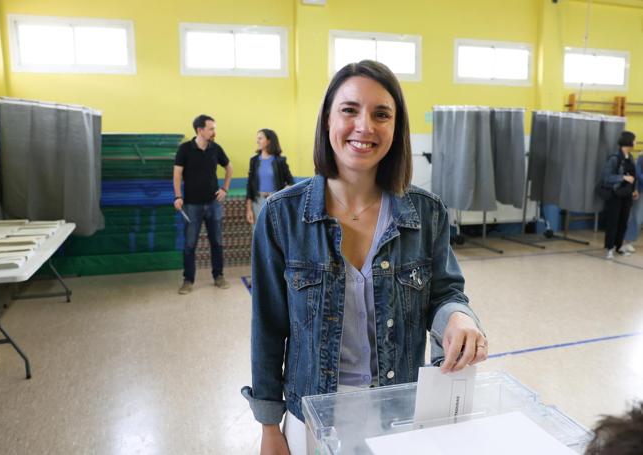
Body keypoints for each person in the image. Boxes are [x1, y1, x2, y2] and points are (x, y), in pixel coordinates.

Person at [241, 60, 487, 455]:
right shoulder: (282, 216)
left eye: (381, 114)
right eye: (350, 110)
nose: (364, 126)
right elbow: (268, 328)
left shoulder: (426, 213)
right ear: (327, 120)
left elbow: (445, 294)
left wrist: (457, 317)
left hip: (398, 414)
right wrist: (270, 427)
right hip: (312, 417)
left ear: (396, 127)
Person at [173, 114, 233, 293]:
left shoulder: (216, 148)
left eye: (214, 128)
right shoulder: (184, 149)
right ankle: (188, 280)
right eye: (211, 128)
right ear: (200, 130)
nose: (214, 132)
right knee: (190, 244)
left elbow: (228, 167)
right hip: (192, 205)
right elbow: (177, 175)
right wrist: (177, 196)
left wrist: (225, 189)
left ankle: (219, 276)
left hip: (213, 204)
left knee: (217, 242)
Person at [600, 131, 638, 260]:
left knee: (623, 221)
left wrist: (634, 189)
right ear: (628, 141)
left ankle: (619, 246)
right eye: (634, 140)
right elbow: (606, 177)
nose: (636, 142)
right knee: (613, 222)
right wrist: (623, 177)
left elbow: (633, 176)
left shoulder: (630, 157)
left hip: (627, 195)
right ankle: (609, 248)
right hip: (615, 195)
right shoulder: (614, 158)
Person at [245, 129, 295, 225]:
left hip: (276, 202)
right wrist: (249, 209)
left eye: (260, 138)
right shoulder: (254, 161)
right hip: (257, 202)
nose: (257, 141)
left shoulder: (280, 161)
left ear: (269, 141)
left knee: (275, 234)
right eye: (257, 138)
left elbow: (290, 183)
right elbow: (249, 185)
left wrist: (278, 195)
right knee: (258, 234)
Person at [622, 151, 643, 252]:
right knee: (637, 217)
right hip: (641, 192)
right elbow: (638, 173)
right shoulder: (641, 157)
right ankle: (627, 241)